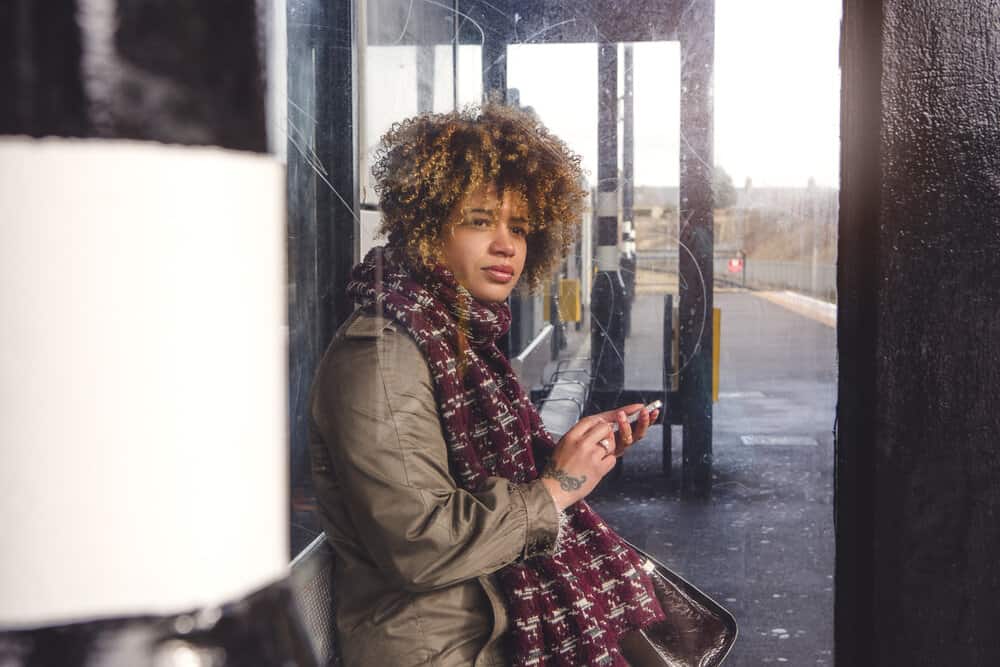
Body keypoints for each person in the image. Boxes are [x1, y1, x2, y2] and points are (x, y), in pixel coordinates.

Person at [308, 104, 666, 666]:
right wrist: (557, 488)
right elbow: (420, 547)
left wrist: (575, 454)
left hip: (491, 628)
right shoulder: (381, 356)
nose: (508, 246)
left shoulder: (458, 337)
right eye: (480, 220)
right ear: (425, 224)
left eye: (519, 228)